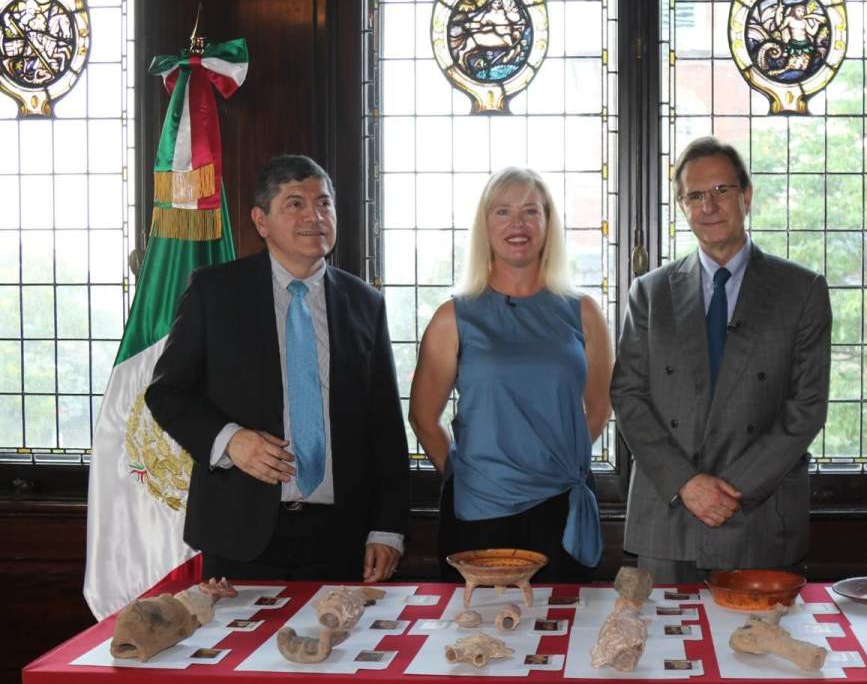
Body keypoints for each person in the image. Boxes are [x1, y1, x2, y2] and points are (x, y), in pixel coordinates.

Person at [145, 154, 409, 583]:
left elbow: (385, 424)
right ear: (261, 220)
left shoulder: (365, 304)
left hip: (343, 537)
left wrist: (389, 527)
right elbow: (167, 392)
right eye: (295, 204)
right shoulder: (216, 291)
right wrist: (229, 441)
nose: (314, 217)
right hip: (240, 533)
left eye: (324, 204)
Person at [611, 136, 831, 585]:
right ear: (681, 206)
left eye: (721, 191)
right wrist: (687, 485)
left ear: (746, 196)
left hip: (759, 519)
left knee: (760, 652)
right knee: (664, 653)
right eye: (695, 195)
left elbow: (806, 408)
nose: (708, 206)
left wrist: (730, 491)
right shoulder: (650, 293)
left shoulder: (801, 290)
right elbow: (628, 395)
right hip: (667, 518)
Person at [409, 166, 613, 583]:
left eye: (530, 212)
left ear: (548, 223)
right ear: (484, 226)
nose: (517, 224)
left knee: (562, 638)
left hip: (562, 507)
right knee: (475, 639)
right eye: (502, 212)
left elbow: (599, 406)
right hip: (479, 513)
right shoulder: (454, 316)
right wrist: (472, 473)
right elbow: (423, 419)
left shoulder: (584, 312)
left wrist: (550, 459)